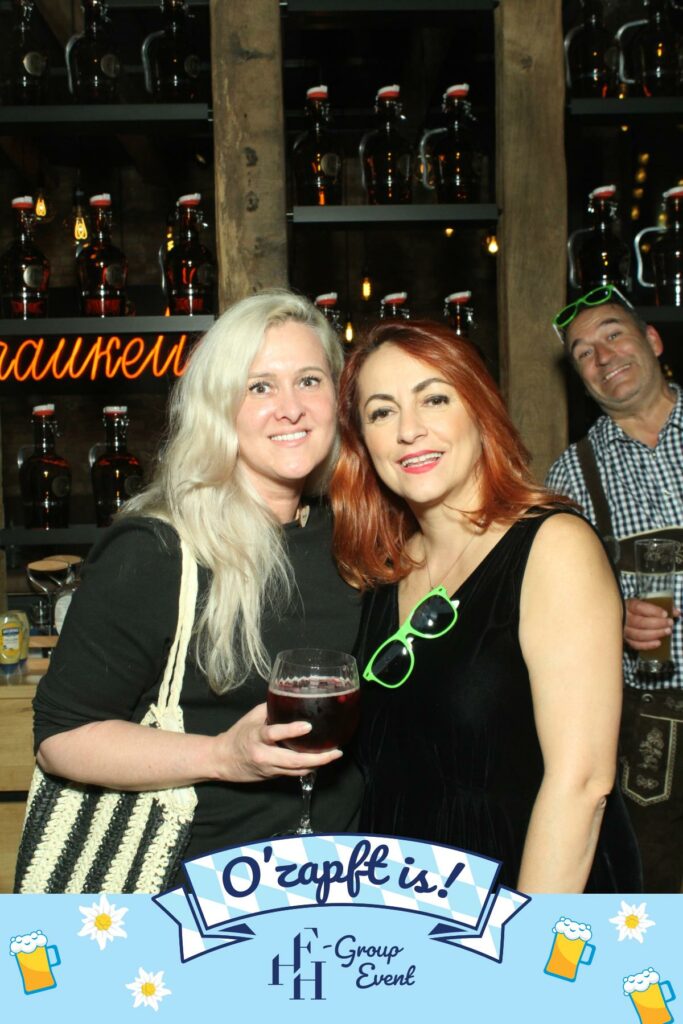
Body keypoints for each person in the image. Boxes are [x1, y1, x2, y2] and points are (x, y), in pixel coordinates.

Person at [25, 289, 362, 892]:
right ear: (217, 407)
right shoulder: (156, 550)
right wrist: (222, 756)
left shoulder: (352, 535)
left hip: (338, 883)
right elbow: (60, 738)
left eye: (309, 381)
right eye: (259, 387)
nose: (290, 408)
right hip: (192, 897)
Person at [330, 317, 641, 893]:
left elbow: (582, 785)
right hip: (408, 901)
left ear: (479, 409)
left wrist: (519, 939)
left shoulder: (553, 548)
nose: (409, 430)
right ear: (362, 442)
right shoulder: (385, 570)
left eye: (434, 399)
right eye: (381, 412)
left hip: (526, 897)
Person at [546, 284, 683, 893]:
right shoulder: (571, 475)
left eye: (613, 335)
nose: (602, 357)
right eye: (583, 353)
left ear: (652, 340)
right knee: (655, 904)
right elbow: (554, 612)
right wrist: (611, 619)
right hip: (650, 729)